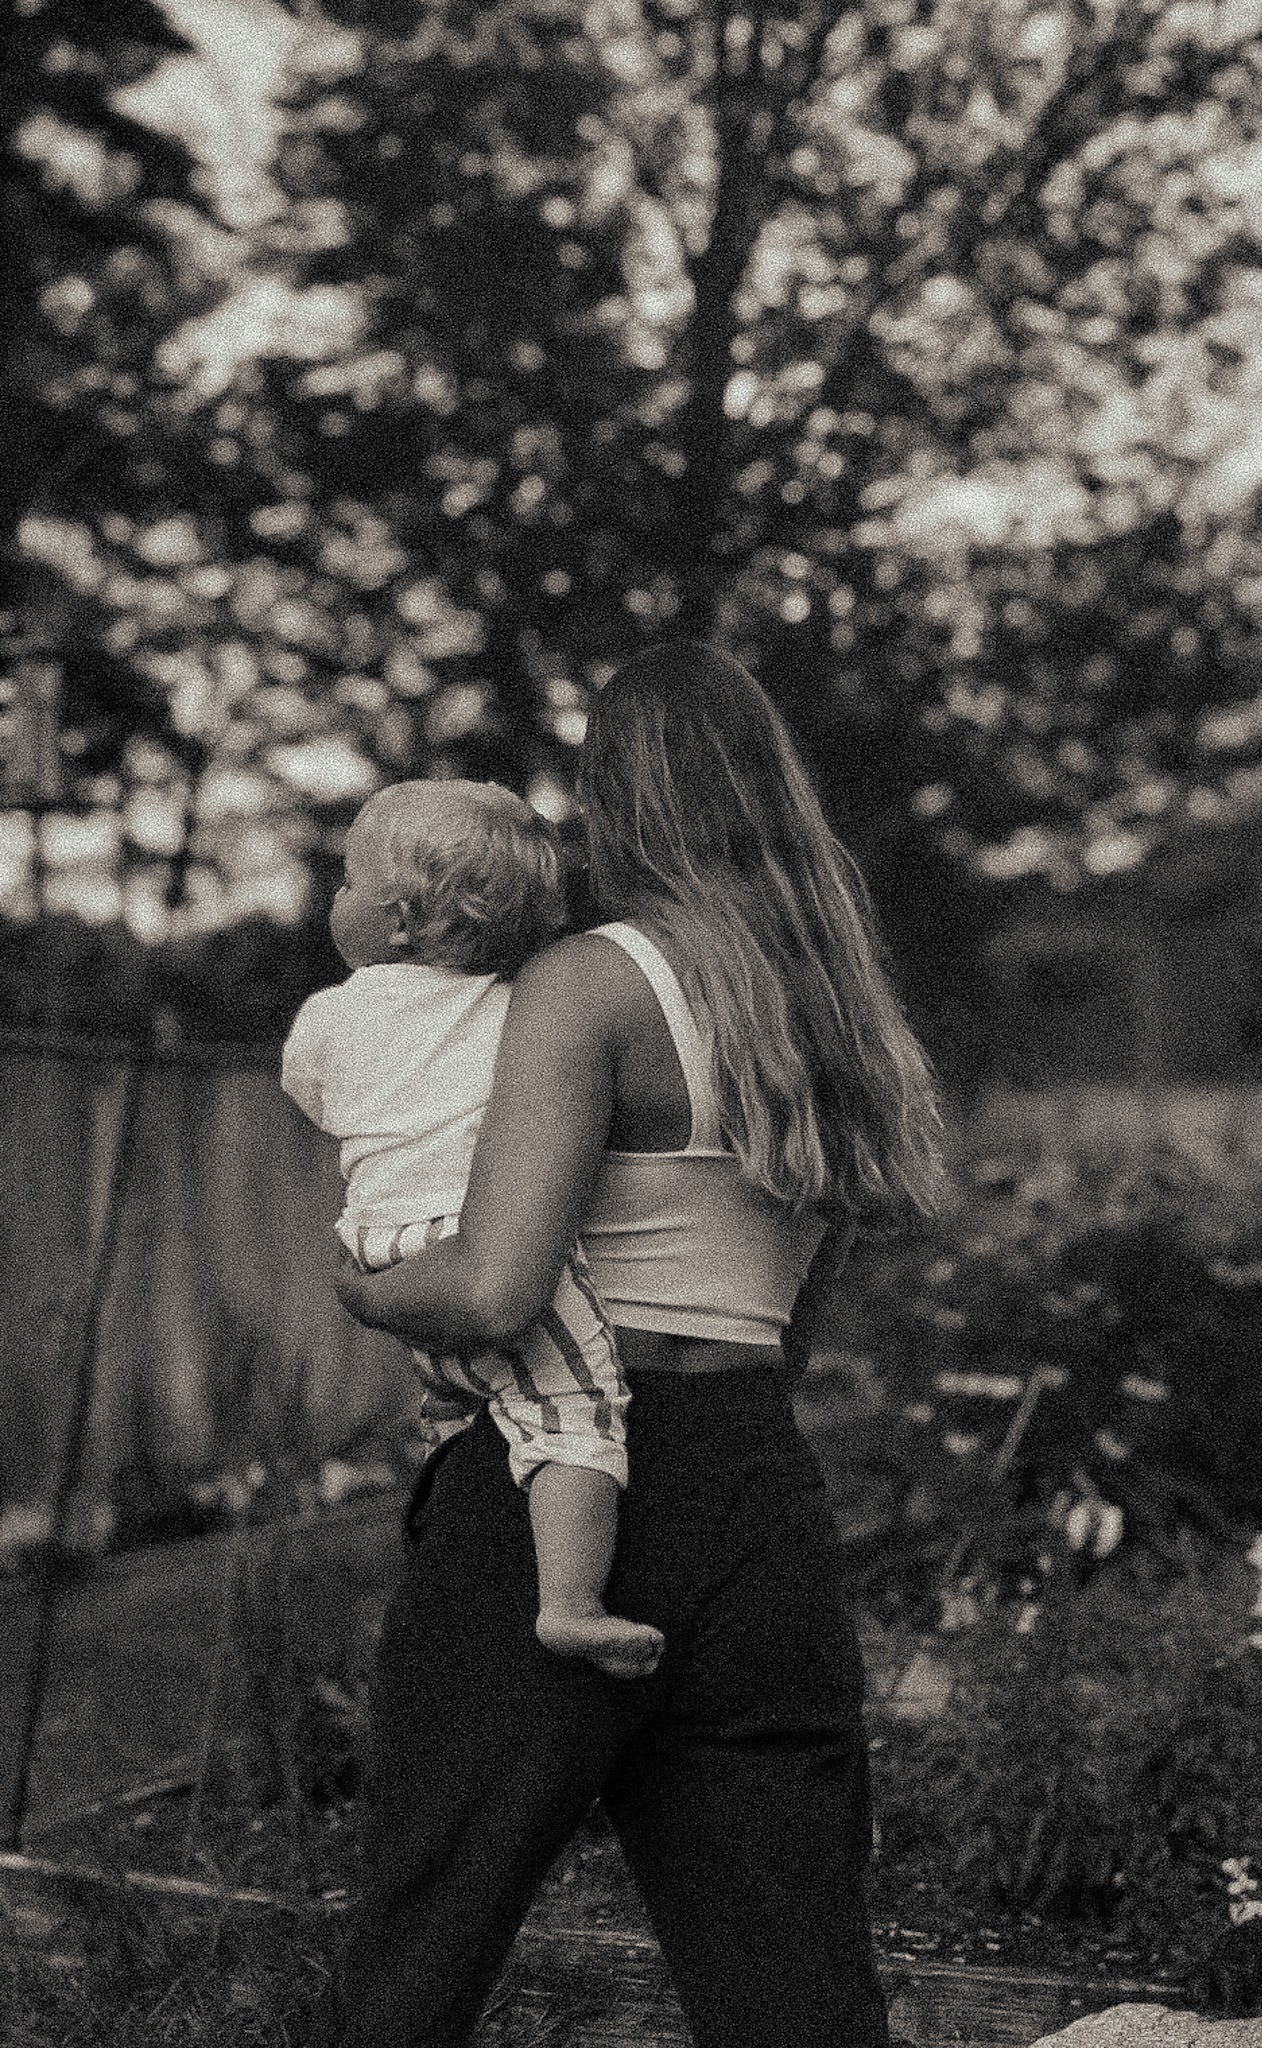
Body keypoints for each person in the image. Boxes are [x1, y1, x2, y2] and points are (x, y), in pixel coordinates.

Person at [321, 640, 944, 2048]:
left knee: (422, 1944)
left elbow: (488, 1290)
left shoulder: (590, 984)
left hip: (564, 1486)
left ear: (619, 800)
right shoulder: (839, 1011)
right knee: (793, 1987)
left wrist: (362, 1290)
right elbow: (793, 1304)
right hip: (755, 1488)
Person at [281, 778, 665, 1678]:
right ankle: (569, 1602)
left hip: (381, 1248)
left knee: (463, 1400)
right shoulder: (522, 1013)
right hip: (481, 1245)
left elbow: (312, 1095)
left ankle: (470, 1546)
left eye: (345, 881)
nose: (333, 897)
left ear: (402, 920)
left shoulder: (331, 1016)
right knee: (578, 1407)